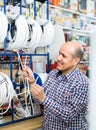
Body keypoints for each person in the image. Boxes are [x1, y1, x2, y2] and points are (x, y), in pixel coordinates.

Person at [22, 41, 89, 130]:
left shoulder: (81, 83)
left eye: (64, 56)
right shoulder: (53, 74)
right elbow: (39, 101)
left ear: (75, 61)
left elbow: (69, 115)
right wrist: (32, 83)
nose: (58, 58)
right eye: (59, 54)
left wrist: (44, 99)